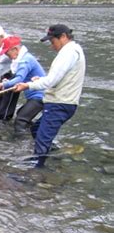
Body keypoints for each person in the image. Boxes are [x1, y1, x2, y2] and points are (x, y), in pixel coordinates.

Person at [13, 24, 86, 167]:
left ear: (63, 37)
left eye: (53, 42)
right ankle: (53, 155)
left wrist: (28, 85)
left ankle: (36, 172)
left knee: (42, 140)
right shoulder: (74, 50)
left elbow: (51, 81)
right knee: (35, 129)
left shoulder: (68, 53)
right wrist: (39, 80)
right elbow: (57, 79)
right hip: (62, 102)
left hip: (60, 104)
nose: (52, 46)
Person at [0, 36, 45, 135]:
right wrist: (7, 81)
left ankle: (19, 143)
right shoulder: (24, 58)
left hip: (40, 97)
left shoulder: (25, 61)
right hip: (36, 96)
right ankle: (32, 137)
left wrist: (3, 84)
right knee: (22, 115)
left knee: (20, 120)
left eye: (8, 53)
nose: (7, 56)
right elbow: (18, 76)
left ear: (15, 49)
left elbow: (20, 78)